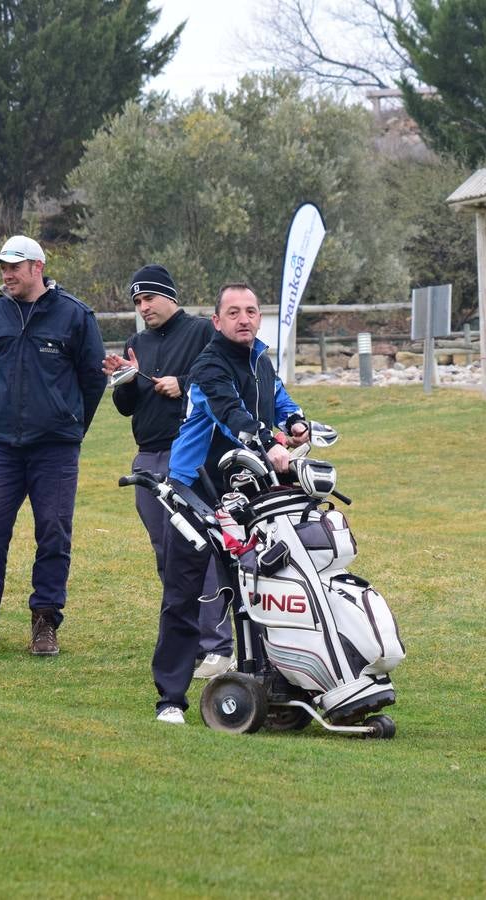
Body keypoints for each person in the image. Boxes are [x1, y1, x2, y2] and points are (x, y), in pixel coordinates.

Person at [151, 282, 311, 724]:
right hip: (192, 491)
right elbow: (231, 412)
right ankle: (170, 699)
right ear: (216, 321)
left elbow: (278, 398)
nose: (245, 319)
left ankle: (268, 685)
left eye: (252, 311)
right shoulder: (208, 366)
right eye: (234, 312)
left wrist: (295, 422)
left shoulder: (259, 357)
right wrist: (268, 445)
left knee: (260, 589)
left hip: (243, 493)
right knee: (184, 594)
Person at [0, 235, 108, 658]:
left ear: (37, 267)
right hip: (3, 447)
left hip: (56, 448)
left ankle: (44, 623)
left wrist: (69, 424)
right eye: (2, 267)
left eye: (13, 267)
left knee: (53, 533)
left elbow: (93, 380)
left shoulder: (75, 315)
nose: (6, 274)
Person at [101, 265, 234, 679]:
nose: (144, 308)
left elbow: (227, 374)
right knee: (167, 552)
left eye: (149, 299)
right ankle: (187, 640)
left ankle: (220, 645)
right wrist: (123, 380)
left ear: (169, 297)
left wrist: (185, 382)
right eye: (137, 302)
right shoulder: (137, 341)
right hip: (148, 457)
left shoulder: (200, 332)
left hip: (190, 456)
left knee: (200, 549)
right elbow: (127, 407)